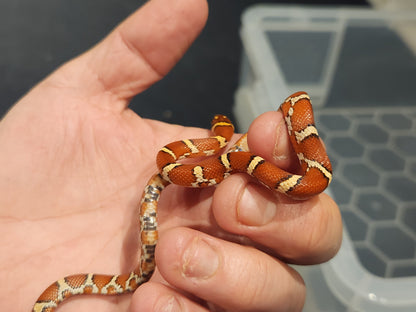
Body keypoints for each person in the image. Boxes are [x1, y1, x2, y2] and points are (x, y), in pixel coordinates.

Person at [0, 0, 342, 311]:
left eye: (218, 126)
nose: (217, 127)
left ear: (215, 133)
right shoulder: (190, 155)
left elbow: (306, 173)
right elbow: (178, 163)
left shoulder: (220, 153)